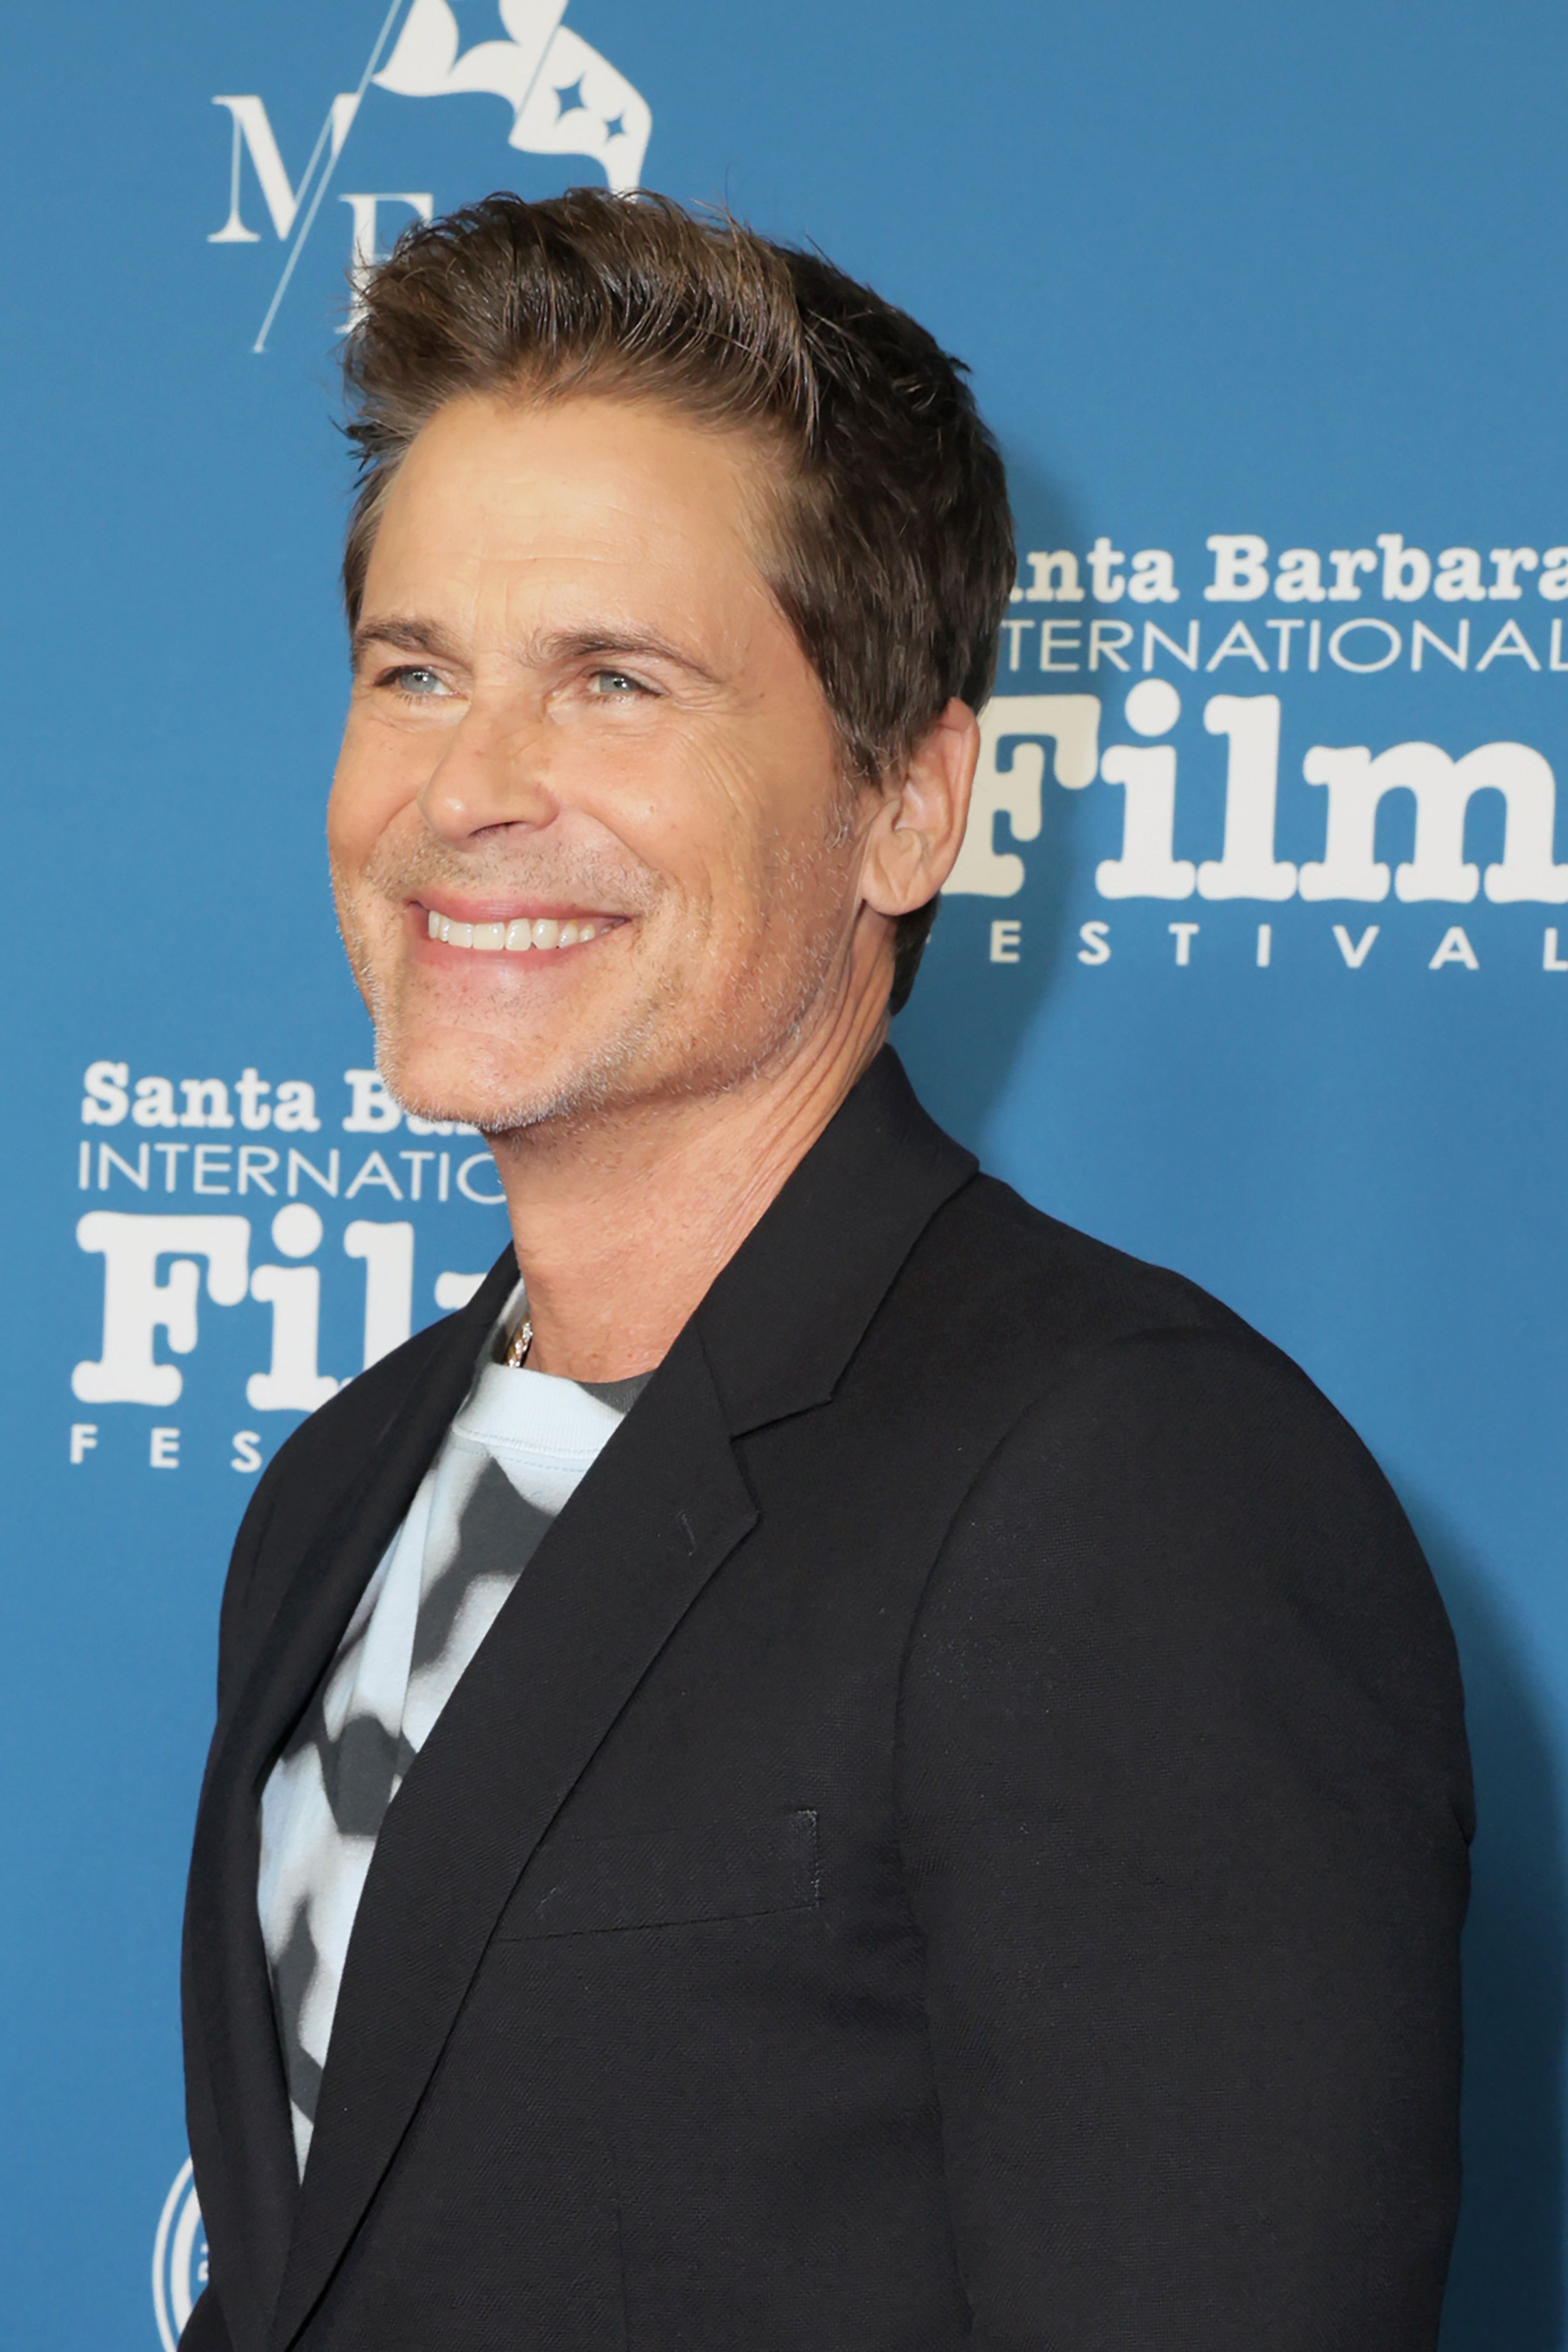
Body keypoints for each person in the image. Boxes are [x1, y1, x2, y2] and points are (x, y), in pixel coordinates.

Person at [180, 189, 1472, 2352]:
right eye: (414, 673)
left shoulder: (1136, 1494)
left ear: (910, 806)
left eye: (615, 682)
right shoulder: (341, 1485)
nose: (468, 790)